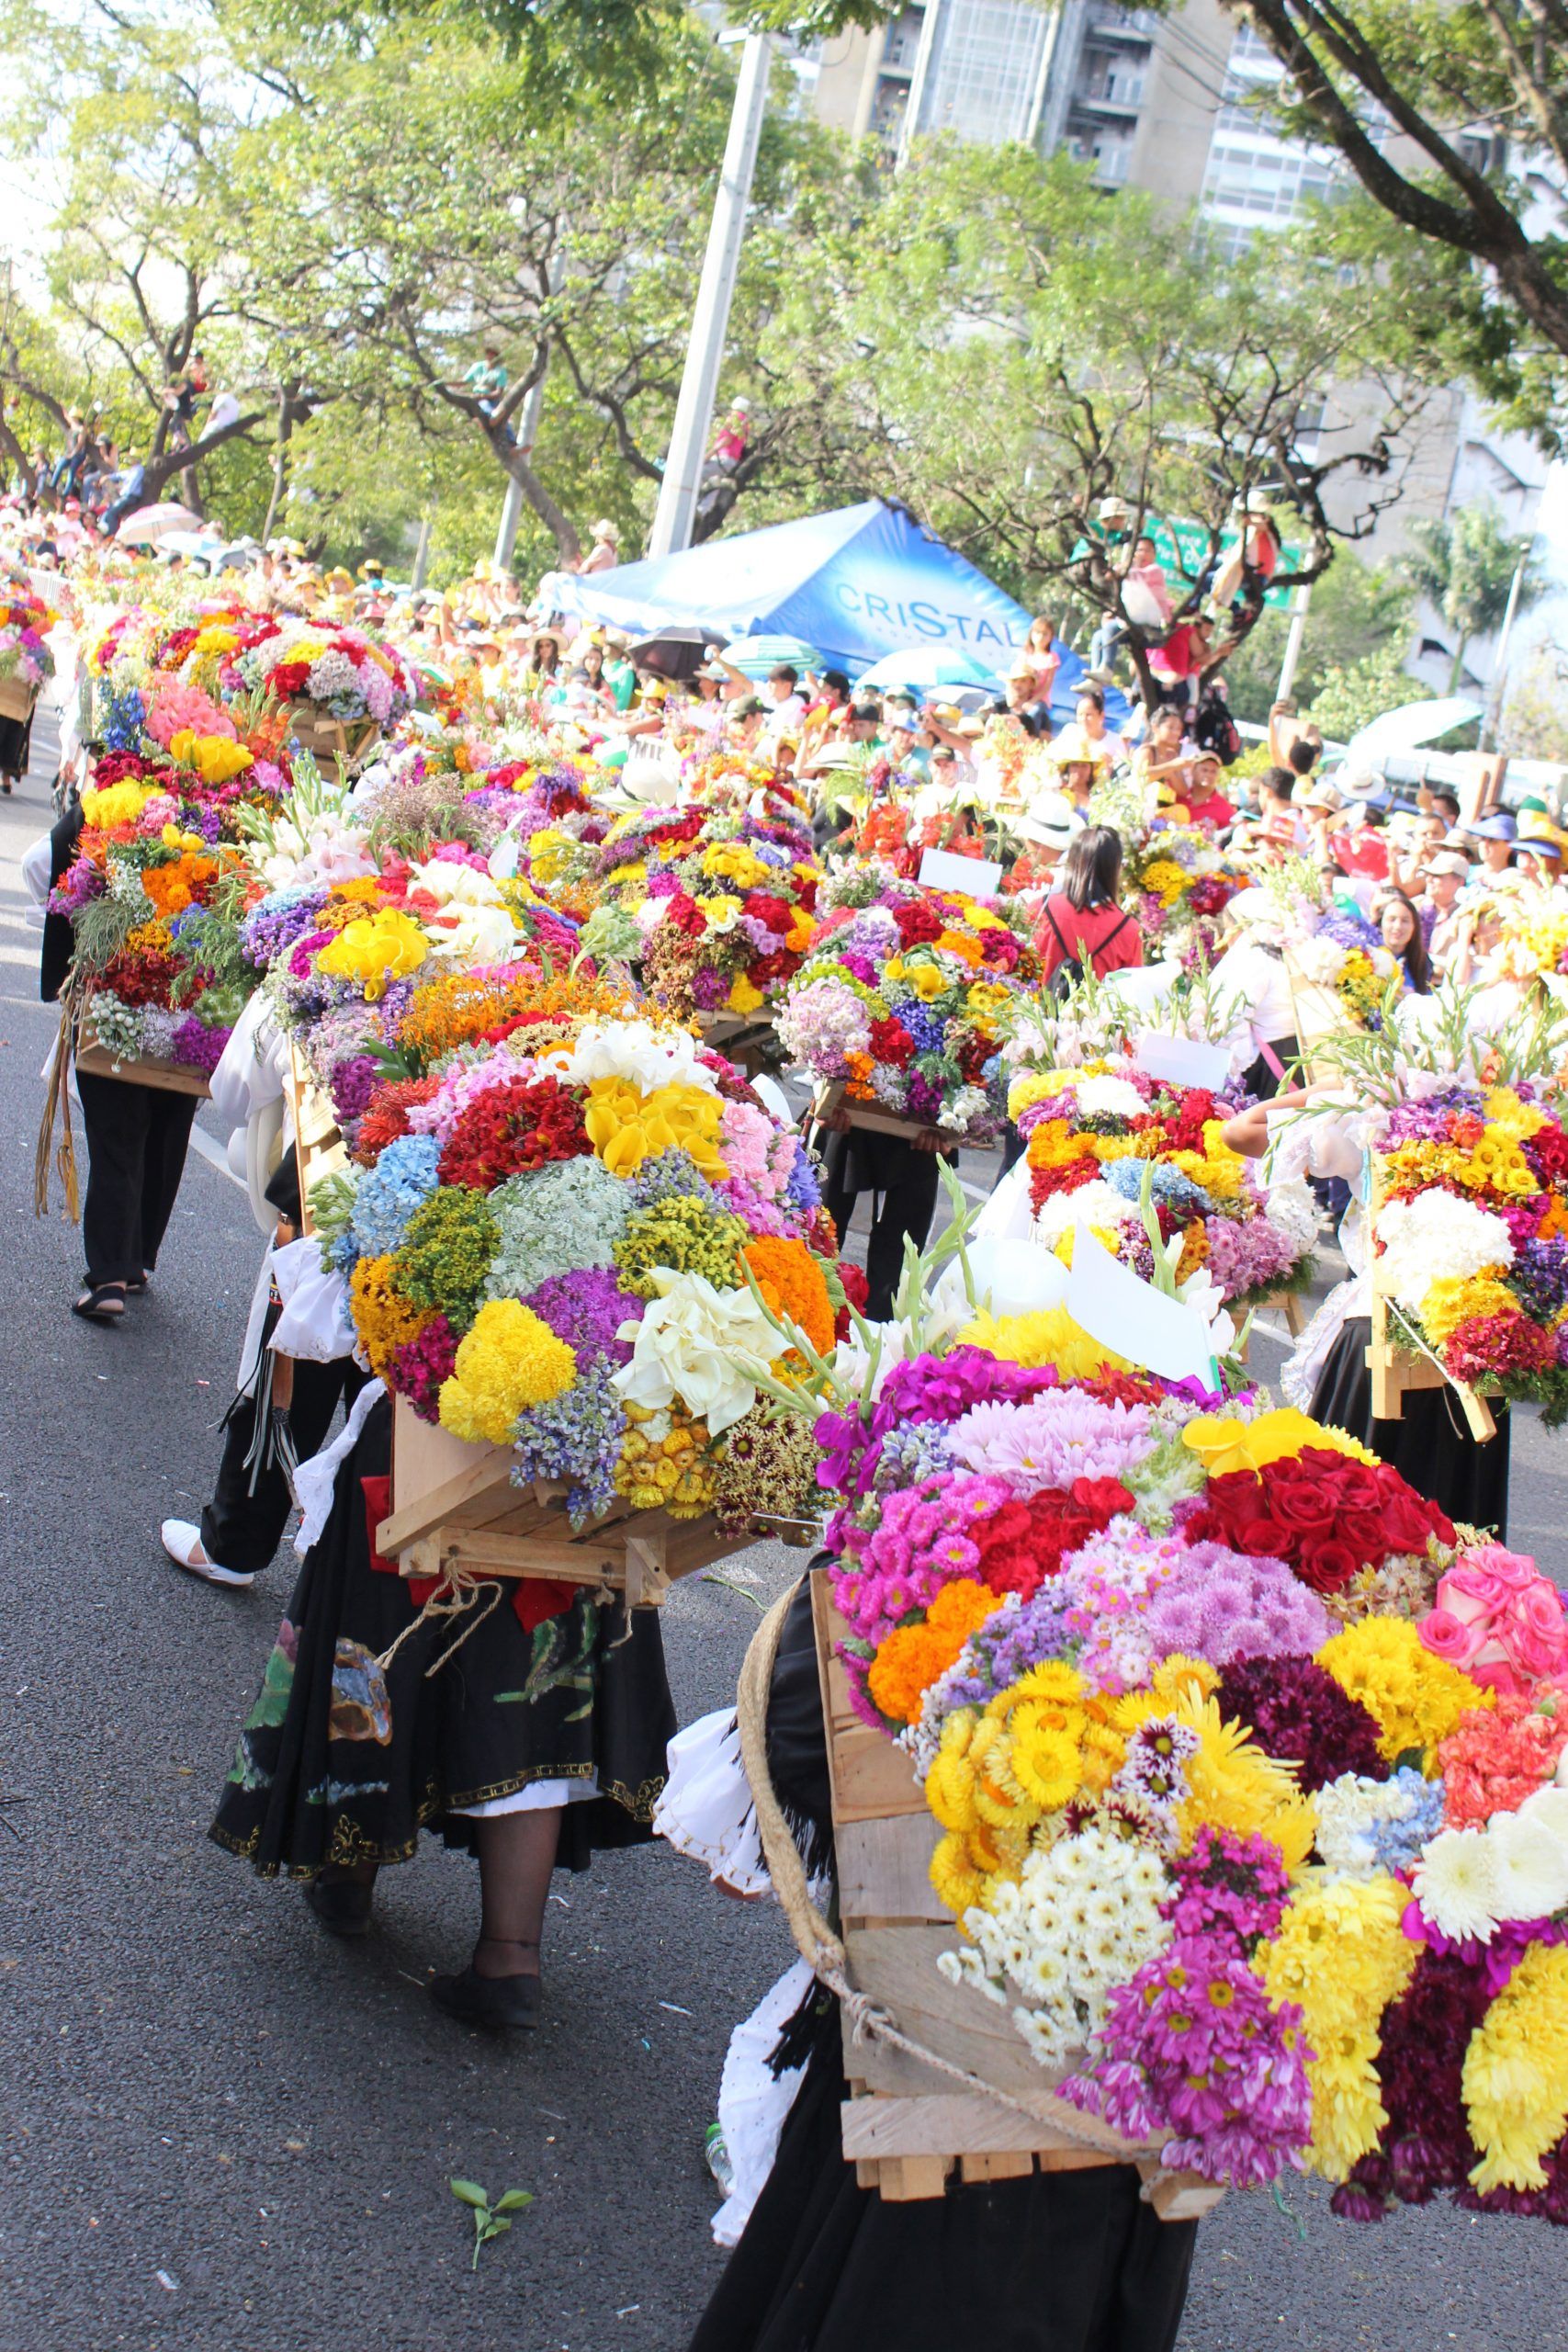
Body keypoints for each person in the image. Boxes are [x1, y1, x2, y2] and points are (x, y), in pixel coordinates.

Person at [663, 1571, 1198, 2352]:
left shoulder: (946, 1561)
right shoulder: (1228, 1594)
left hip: (931, 2082)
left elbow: (806, 1753)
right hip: (1129, 2130)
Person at [209, 1385, 677, 2027]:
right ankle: (509, 1956)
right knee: (525, 1687)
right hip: (578, 1444)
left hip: (435, 1429)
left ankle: (349, 1870)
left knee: (383, 1642)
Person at [31, 801, 199, 1321]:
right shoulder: (220, 810)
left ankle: (109, 1277)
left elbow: (38, 865)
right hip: (188, 998)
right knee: (168, 1126)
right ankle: (137, 1259)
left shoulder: (106, 805)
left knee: (116, 1135)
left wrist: (78, 935)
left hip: (116, 996)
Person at [1034, 825, 1142, 988]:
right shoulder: (1128, 930)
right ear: (1115, 869)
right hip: (1094, 1013)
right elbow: (1132, 991)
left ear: (1072, 861)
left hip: (1033, 1009)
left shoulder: (1040, 908)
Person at [1372, 888, 1432, 993]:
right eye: (1392, 919)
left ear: (1414, 927)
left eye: (1405, 921)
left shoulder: (1422, 962)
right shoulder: (1369, 955)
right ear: (1380, 924)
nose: (1398, 926)